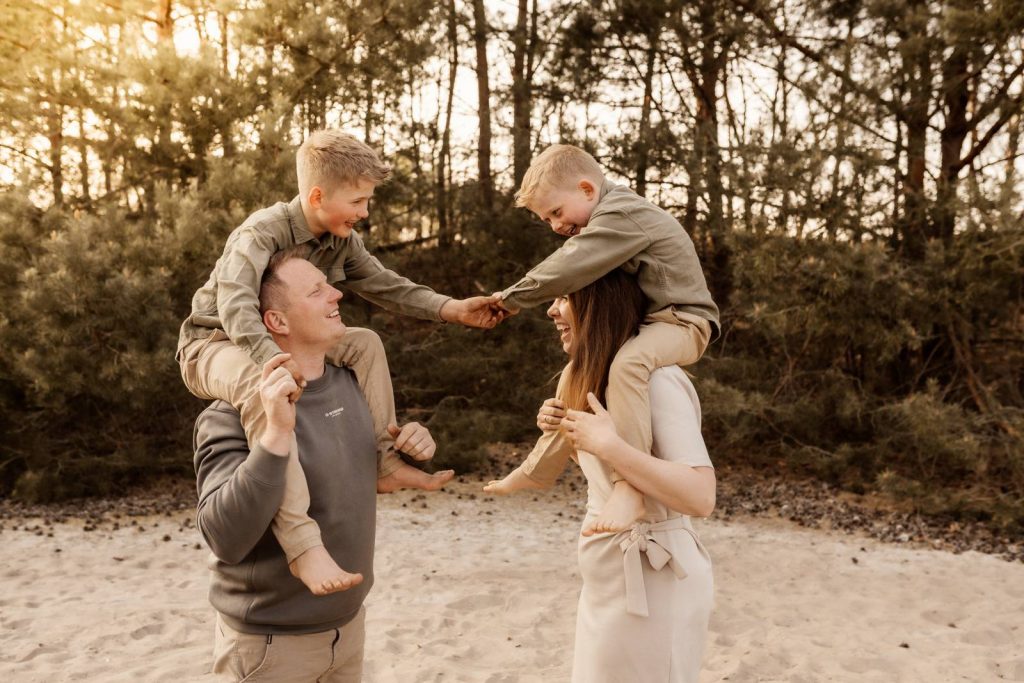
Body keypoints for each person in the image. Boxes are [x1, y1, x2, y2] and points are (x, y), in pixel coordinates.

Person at [179, 129, 500, 596]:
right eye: (358, 200)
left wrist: (452, 308)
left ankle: (385, 463)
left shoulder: (340, 242)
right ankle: (303, 544)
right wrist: (275, 361)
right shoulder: (260, 233)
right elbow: (234, 304)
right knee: (258, 383)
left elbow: (386, 285)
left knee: (364, 342)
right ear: (316, 195)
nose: (365, 211)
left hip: (276, 340)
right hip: (214, 342)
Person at [194, 250, 448, 681]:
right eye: (316, 291)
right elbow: (224, 537)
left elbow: (361, 481)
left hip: (349, 632)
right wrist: (274, 436)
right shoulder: (228, 416)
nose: (336, 293)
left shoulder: (351, 385)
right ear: (277, 322)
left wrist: (411, 447)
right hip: (269, 649)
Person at [489, 269, 716, 682]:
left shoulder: (657, 380)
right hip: (607, 577)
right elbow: (610, 472)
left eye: (564, 298)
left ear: (599, 304)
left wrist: (612, 447)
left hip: (654, 583)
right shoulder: (587, 376)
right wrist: (568, 436)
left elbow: (701, 496)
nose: (552, 311)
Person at [487, 144, 720, 536]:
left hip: (685, 320)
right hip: (657, 319)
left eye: (557, 213)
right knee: (575, 376)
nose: (556, 227)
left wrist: (510, 299)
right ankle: (534, 471)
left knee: (629, 364)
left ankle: (629, 485)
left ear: (587, 189)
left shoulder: (622, 214)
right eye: (546, 220)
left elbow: (573, 261)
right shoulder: (607, 221)